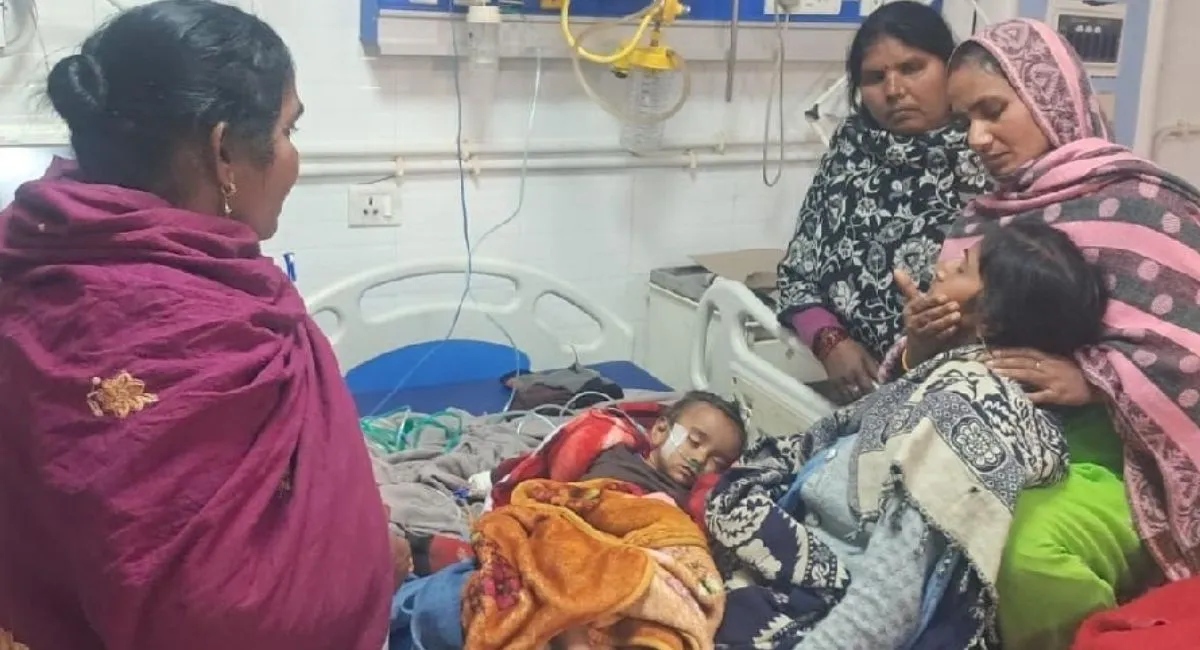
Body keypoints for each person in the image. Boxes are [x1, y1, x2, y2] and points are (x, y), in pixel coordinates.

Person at [0, 2, 396, 649]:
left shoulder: (30, 258)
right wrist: (371, 561)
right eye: (288, 130)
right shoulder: (207, 320)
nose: (293, 157)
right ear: (224, 152)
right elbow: (223, 617)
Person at [894, 17, 1200, 648]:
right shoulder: (979, 222)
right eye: (965, 120)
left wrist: (1094, 379)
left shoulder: (1146, 205)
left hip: (1122, 463)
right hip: (985, 439)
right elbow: (941, 366)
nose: (977, 138)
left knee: (1023, 551)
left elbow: (1187, 350)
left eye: (992, 111)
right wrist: (922, 342)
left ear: (1048, 97)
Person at [708, 219, 1109, 650]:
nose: (941, 267)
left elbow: (891, 597)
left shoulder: (970, 414)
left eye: (962, 268)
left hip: (822, 604)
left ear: (990, 318)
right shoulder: (957, 371)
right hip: (795, 546)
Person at [776, 0, 990, 405]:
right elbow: (796, 275)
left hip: (954, 396)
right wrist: (829, 340)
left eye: (912, 68)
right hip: (855, 390)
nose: (894, 90)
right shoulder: (852, 149)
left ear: (950, 68)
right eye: (875, 77)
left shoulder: (988, 154)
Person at [579, 390, 747, 507]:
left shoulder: (693, 503)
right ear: (660, 430)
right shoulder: (616, 460)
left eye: (717, 462)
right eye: (694, 441)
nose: (700, 459)